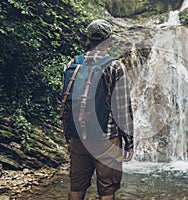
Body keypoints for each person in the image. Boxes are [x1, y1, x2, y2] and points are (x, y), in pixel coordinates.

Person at [63, 19, 134, 200]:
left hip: (78, 136)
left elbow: (66, 101)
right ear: (108, 39)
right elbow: (122, 108)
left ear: (89, 39)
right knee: (107, 190)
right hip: (106, 138)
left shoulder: (73, 63)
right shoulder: (114, 66)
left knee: (76, 188)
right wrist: (129, 143)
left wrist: (68, 137)